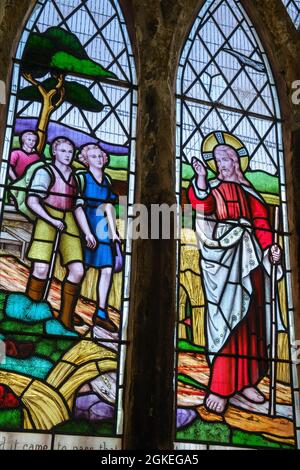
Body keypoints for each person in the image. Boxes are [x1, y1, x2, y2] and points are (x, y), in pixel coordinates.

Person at [187, 138, 284, 414]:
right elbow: (202, 208)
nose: (221, 166)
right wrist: (202, 179)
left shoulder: (248, 192)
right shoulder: (212, 188)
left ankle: (247, 381)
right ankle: (220, 386)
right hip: (224, 260)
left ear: (236, 162)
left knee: (251, 320)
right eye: (217, 162)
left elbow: (262, 223)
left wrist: (270, 248)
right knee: (227, 320)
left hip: (250, 260)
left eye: (225, 160)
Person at [25, 137, 96, 330]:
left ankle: (65, 319)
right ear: (54, 152)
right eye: (63, 151)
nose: (67, 155)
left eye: (70, 152)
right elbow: (32, 201)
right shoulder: (44, 171)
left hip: (70, 220)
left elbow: (78, 206)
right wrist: (51, 220)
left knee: (78, 270)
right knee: (40, 269)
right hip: (47, 216)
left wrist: (88, 232)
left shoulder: (74, 177)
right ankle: (30, 314)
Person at [77, 144, 120, 333]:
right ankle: (70, 309)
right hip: (85, 225)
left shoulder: (107, 179)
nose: (99, 159)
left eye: (100, 155)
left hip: (102, 228)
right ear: (86, 160)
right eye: (93, 156)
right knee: (80, 268)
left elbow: (109, 207)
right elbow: (77, 206)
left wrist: (114, 232)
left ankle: (101, 313)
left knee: (107, 270)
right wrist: (86, 232)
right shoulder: (81, 178)